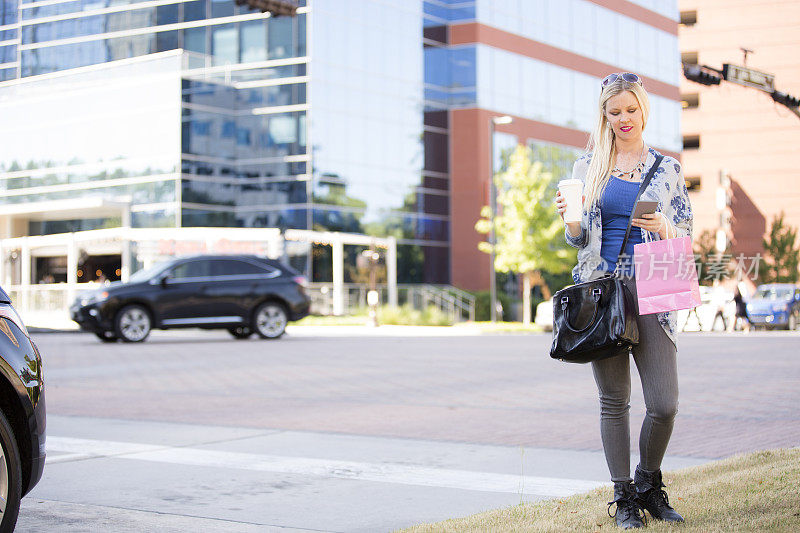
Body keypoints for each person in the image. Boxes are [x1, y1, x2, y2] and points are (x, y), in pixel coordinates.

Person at [555, 72, 693, 529]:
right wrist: (569, 222)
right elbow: (578, 239)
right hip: (603, 288)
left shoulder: (668, 168)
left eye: (630, 110)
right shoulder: (588, 166)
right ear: (604, 115)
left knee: (664, 403)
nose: (623, 119)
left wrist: (666, 231)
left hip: (654, 282)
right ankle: (624, 496)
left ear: (643, 110)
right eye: (614, 113)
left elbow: (686, 234)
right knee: (614, 400)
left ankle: (648, 482)